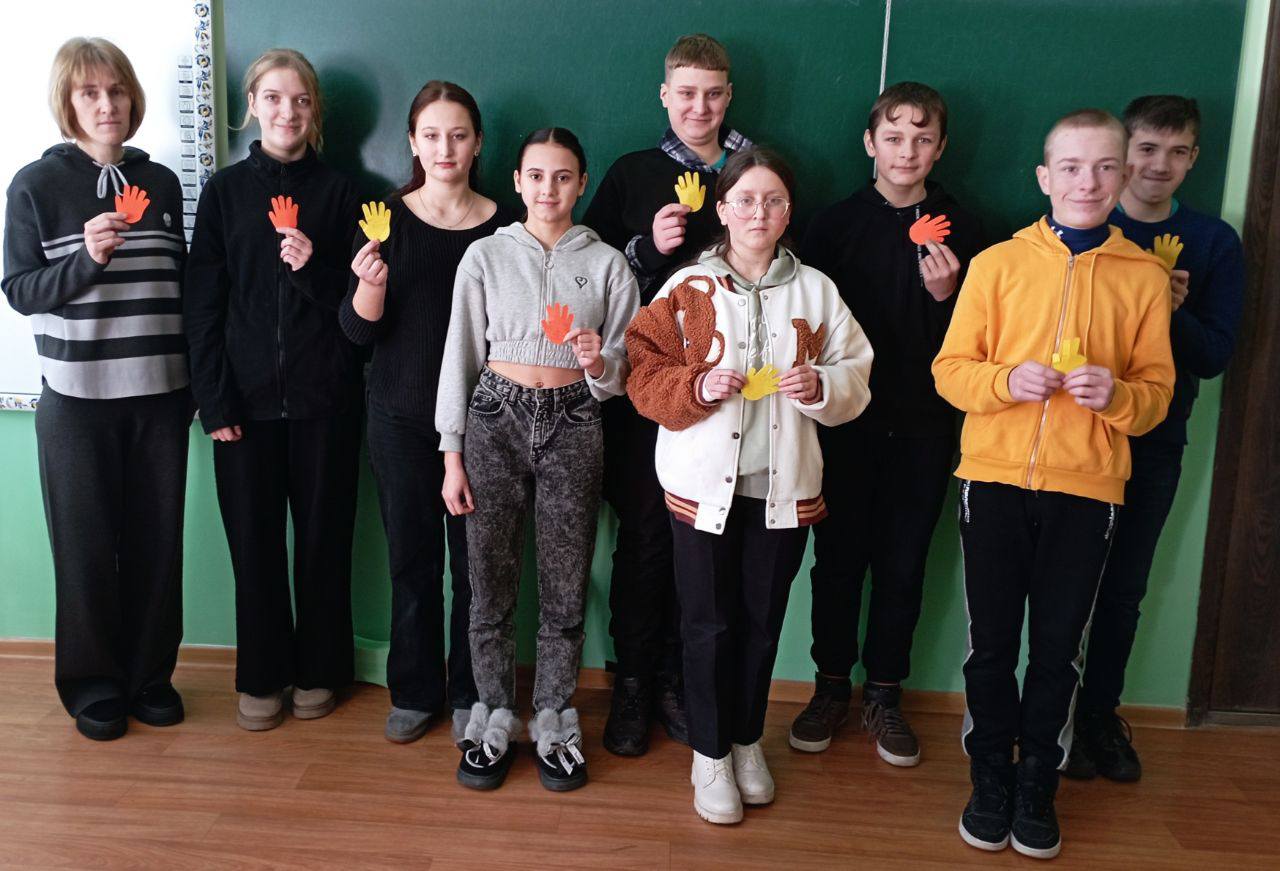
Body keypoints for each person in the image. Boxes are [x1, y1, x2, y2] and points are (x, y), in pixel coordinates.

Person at [933, 109, 1174, 860]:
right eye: (1070, 167)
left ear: (1123, 177)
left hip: (1088, 487)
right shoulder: (996, 265)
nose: (1087, 182)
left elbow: (1157, 394)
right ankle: (989, 776)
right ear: (1045, 177)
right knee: (990, 646)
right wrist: (1006, 381)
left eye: (1104, 167)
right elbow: (950, 371)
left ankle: (1039, 778)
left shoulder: (1144, 277)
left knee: (1058, 649)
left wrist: (1119, 397)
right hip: (994, 480)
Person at [626, 147, 873, 824]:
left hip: (783, 488)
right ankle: (709, 754)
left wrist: (821, 385)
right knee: (706, 623)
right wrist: (697, 385)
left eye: (772, 201)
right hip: (700, 488)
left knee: (762, 623)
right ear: (723, 208)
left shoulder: (817, 290)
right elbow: (641, 370)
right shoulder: (687, 285)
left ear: (788, 212)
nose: (758, 213)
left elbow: (857, 370)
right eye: (745, 200)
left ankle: (745, 739)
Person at [437, 128, 639, 791]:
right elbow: (460, 355)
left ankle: (553, 716)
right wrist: (451, 452)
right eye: (536, 175)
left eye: (563, 176)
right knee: (488, 579)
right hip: (494, 416)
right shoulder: (485, 255)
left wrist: (599, 363)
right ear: (517, 182)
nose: (548, 188)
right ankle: (492, 714)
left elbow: (625, 369)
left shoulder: (608, 263)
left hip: (576, 419)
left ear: (582, 183)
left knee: (565, 581)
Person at [1, 37, 191, 742]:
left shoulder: (163, 183)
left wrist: (195, 387)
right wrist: (86, 258)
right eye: (89, 92)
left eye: (116, 90)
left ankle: (150, 676)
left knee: (156, 545)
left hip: (161, 395)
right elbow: (21, 289)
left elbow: (181, 287)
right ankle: (92, 683)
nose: (106, 104)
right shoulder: (34, 185)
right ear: (68, 102)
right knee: (85, 551)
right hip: (77, 400)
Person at [791, 81, 983, 766]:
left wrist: (946, 296)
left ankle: (886, 693)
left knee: (904, 565)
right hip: (844, 425)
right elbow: (806, 323)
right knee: (837, 563)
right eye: (894, 137)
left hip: (925, 427)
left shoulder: (968, 229)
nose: (907, 151)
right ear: (870, 143)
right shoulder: (832, 226)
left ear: (941, 148)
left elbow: (983, 338)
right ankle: (830, 687)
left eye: (922, 139)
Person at [583, 32, 753, 756]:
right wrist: (647, 248)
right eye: (686, 93)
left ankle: (681, 679)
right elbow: (586, 270)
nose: (699, 107)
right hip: (644, 393)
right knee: (646, 538)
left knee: (703, 542)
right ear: (664, 95)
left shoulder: (752, 172)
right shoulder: (633, 173)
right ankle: (633, 680)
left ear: (729, 96)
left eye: (712, 94)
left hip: (726, 396)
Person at [1065, 95, 1243, 782]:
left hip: (1155, 441)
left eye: (1176, 152)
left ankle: (1098, 716)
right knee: (1063, 586)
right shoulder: (1082, 224)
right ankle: (1052, 717)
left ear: (1194, 158)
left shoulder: (1213, 242)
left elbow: (1214, 355)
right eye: (1145, 149)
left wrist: (1168, 311)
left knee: (1123, 588)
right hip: (1075, 438)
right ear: (1121, 155)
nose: (1158, 165)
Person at [185, 48, 361, 731]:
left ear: (316, 112)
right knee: (254, 549)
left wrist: (314, 269)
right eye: (275, 98)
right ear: (252, 106)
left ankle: (319, 671)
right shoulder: (224, 193)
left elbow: (361, 307)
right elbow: (203, 305)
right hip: (245, 408)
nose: (288, 111)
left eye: (302, 100)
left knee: (323, 544)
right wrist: (214, 399)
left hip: (327, 404)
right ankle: (261, 676)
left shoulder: (343, 193)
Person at [341, 81, 514, 745]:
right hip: (400, 419)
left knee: (478, 568)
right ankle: (414, 690)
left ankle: (473, 690)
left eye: (459, 135)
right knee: (411, 563)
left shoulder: (506, 226)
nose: (446, 148)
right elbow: (356, 334)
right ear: (413, 142)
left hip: (488, 422)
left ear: (478, 143)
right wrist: (369, 287)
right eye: (432, 135)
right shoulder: (382, 218)